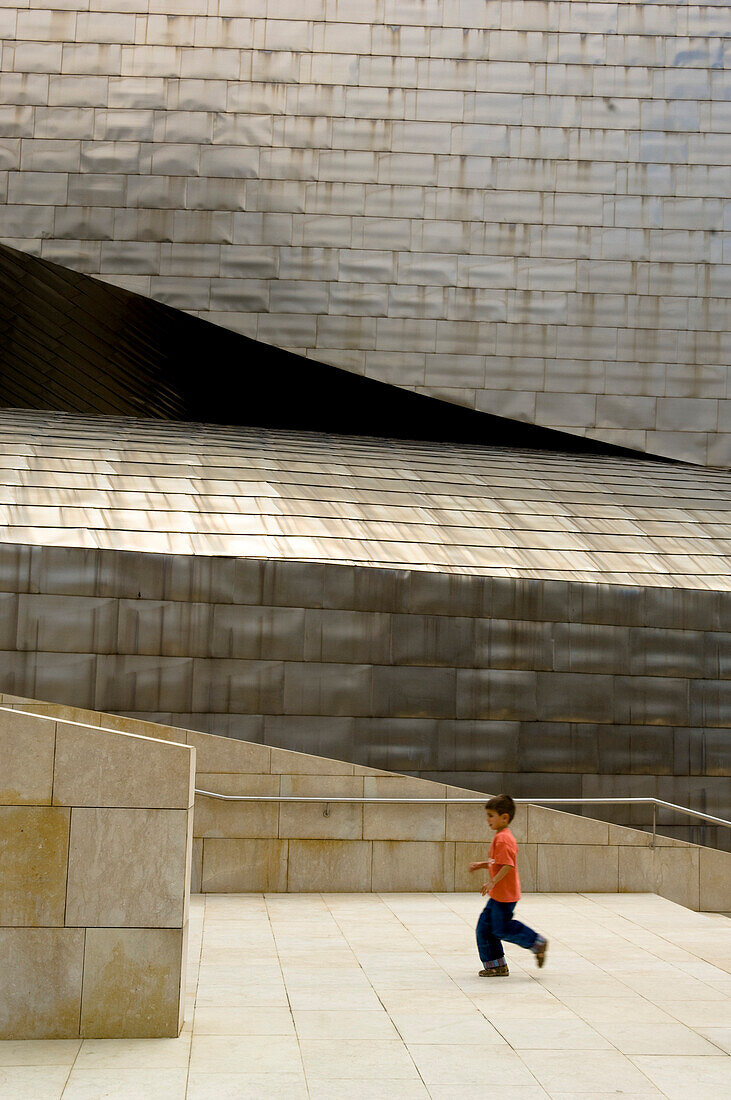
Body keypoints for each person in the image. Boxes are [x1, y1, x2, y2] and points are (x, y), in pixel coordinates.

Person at [469, 794, 548, 977]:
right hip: (499, 895)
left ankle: (536, 942)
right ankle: (496, 965)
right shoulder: (501, 837)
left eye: (491, 815)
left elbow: (508, 865)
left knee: (501, 928)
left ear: (504, 817)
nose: (487, 819)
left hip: (504, 896)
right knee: (484, 928)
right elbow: (497, 861)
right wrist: (481, 865)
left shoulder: (504, 839)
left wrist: (492, 881)